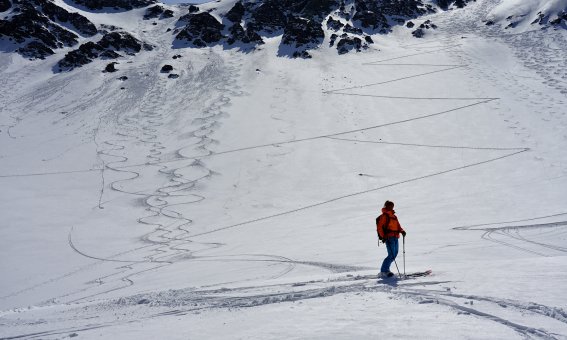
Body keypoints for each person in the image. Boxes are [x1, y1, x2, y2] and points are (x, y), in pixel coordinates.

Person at [376, 200, 406, 277]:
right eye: (390, 205)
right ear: (386, 206)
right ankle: (384, 271)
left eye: (392, 206)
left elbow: (398, 226)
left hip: (396, 237)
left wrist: (402, 231)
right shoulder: (384, 216)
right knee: (391, 254)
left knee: (394, 254)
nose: (391, 207)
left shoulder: (394, 216)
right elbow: (379, 228)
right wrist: (383, 237)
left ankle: (386, 270)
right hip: (389, 237)